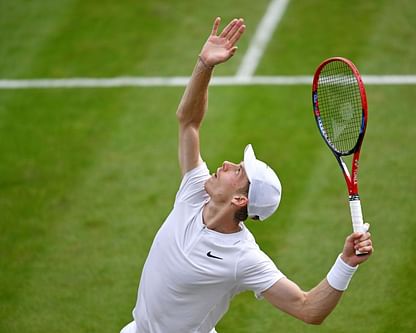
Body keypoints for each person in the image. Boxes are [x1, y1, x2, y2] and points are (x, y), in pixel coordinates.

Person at [121, 17, 373, 333]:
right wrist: (204, 66)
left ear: (240, 198)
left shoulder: (242, 257)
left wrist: (346, 263)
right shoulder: (195, 190)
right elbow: (189, 122)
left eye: (237, 170)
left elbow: (308, 308)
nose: (226, 164)